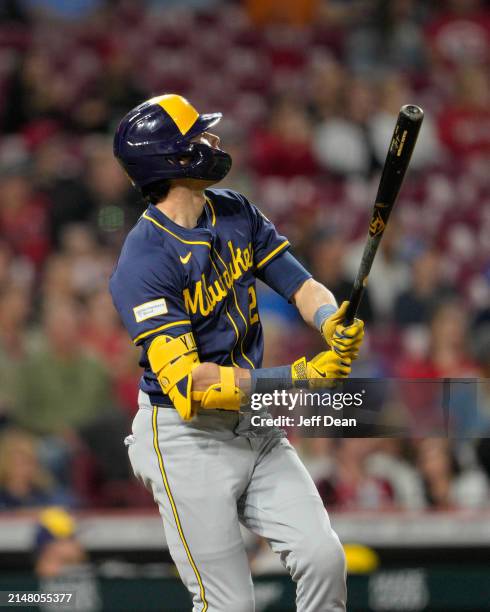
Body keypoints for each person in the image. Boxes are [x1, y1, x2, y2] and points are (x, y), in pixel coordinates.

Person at [110, 94, 365, 612]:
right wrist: (296, 381)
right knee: (229, 605)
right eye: (199, 136)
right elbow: (191, 386)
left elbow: (298, 283)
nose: (214, 141)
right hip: (186, 439)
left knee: (323, 557)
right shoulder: (143, 259)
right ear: (171, 158)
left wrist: (329, 319)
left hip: (254, 421)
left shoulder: (234, 209)